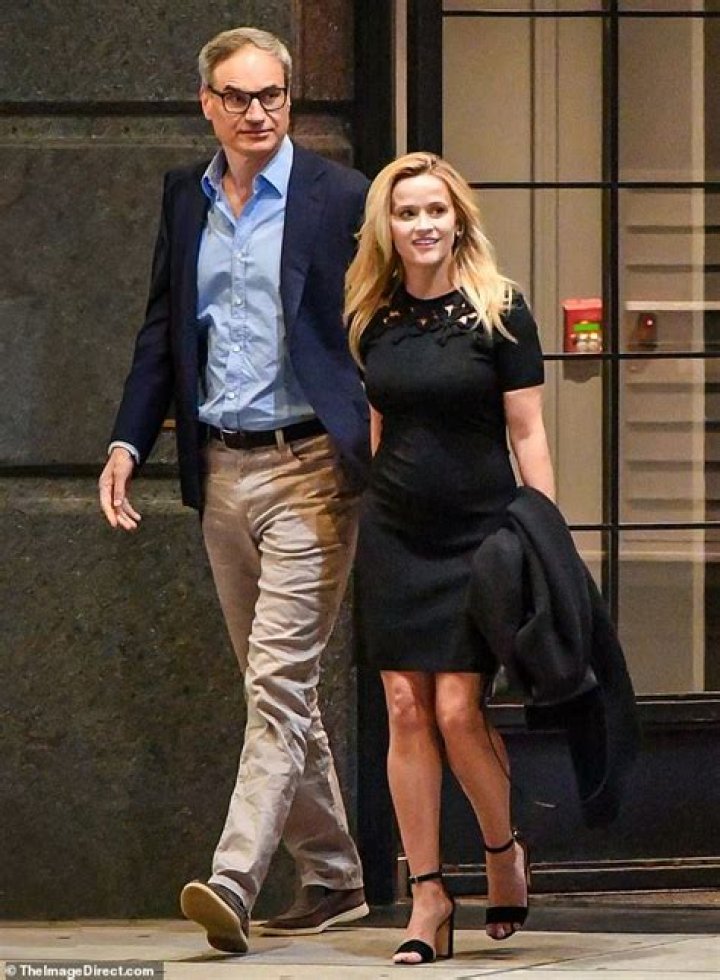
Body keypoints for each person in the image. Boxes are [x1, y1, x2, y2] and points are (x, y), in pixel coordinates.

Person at [98, 26, 371, 955]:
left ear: (290, 99)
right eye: (238, 97)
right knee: (272, 685)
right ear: (207, 104)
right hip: (220, 469)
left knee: (281, 679)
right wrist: (128, 441)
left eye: (272, 95)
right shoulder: (188, 196)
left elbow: (377, 321)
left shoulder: (341, 196)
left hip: (311, 469)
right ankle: (333, 876)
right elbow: (164, 328)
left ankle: (232, 880)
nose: (257, 113)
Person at [345, 152, 556, 965]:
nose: (423, 224)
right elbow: (379, 429)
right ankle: (429, 894)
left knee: (460, 712)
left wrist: (540, 539)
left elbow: (528, 433)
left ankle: (503, 851)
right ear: (387, 227)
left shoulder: (501, 311)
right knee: (406, 707)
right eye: (408, 212)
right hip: (396, 532)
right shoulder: (372, 316)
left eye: (436, 210)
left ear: (458, 219)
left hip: (480, 532)